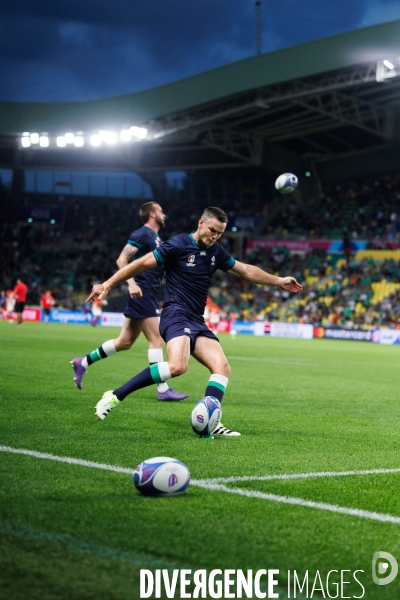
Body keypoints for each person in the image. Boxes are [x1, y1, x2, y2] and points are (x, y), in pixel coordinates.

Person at [87, 206, 303, 437]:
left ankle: (210, 421)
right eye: (212, 230)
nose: (215, 236)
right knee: (178, 366)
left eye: (219, 233)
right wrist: (108, 284)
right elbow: (140, 263)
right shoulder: (177, 245)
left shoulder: (216, 252)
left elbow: (246, 271)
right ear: (201, 223)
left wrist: (278, 280)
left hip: (196, 320)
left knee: (222, 368)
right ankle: (115, 396)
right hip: (175, 313)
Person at [71, 201, 188, 402]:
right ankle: (162, 389)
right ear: (152, 214)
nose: (164, 214)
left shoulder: (156, 238)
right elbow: (121, 259)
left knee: (124, 342)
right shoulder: (142, 234)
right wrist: (132, 284)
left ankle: (82, 362)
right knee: (156, 340)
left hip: (146, 292)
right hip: (141, 292)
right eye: (161, 211)